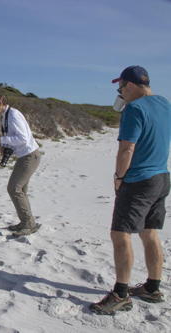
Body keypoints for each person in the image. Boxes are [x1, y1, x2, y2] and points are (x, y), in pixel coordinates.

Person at [90, 66, 171, 315]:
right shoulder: (165, 103)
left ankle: (121, 294)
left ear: (131, 86)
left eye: (121, 87)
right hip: (162, 177)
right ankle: (152, 287)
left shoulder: (134, 108)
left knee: (120, 234)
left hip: (139, 181)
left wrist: (118, 178)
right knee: (149, 233)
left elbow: (127, 149)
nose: (120, 92)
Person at [0, 90, 41, 237]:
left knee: (14, 189)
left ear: (1, 101)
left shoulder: (13, 115)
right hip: (24, 156)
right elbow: (12, 138)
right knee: (20, 190)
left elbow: (23, 138)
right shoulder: (5, 116)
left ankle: (29, 224)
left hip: (29, 156)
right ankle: (26, 222)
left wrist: (0, 140)